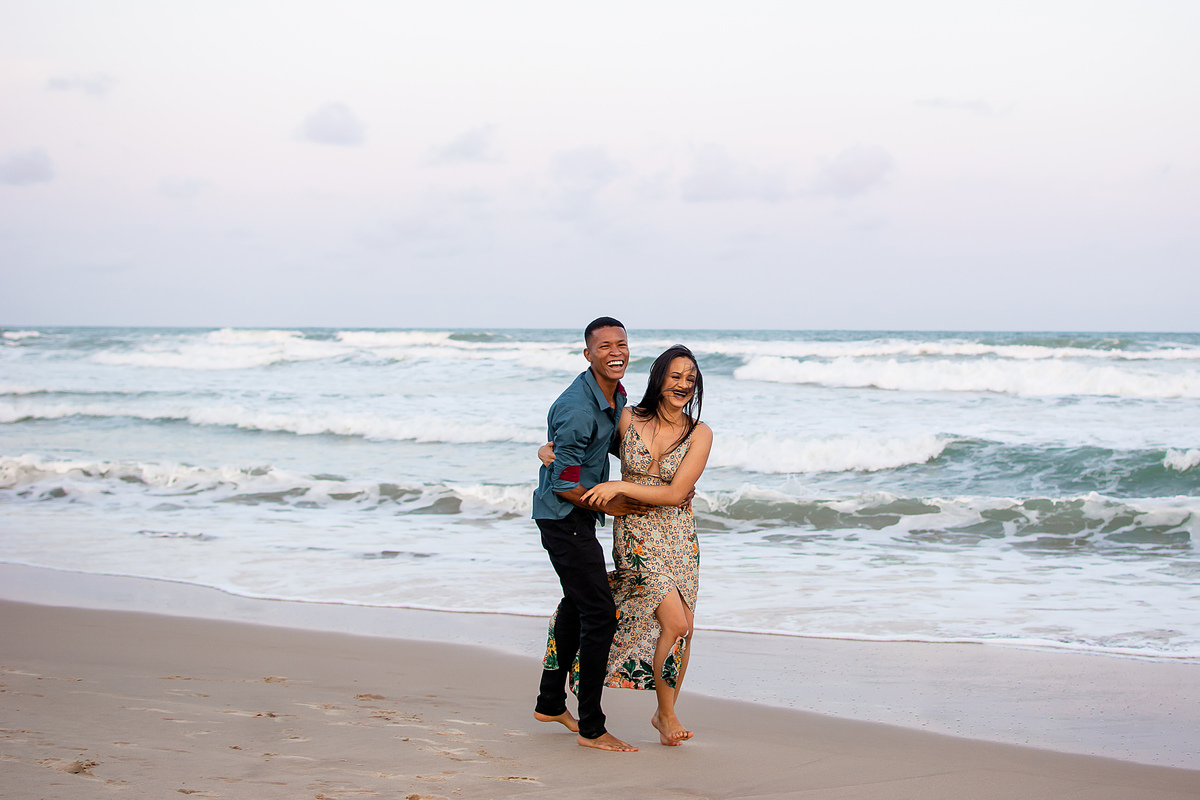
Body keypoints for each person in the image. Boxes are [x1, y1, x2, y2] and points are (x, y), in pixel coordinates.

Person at [541, 345, 712, 747]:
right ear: (658, 379)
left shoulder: (700, 432)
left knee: (684, 629)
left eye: (690, 379)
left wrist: (620, 484)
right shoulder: (627, 417)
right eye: (675, 376)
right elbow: (582, 445)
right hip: (636, 533)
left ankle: (663, 712)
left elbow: (675, 494)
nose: (683, 385)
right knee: (676, 624)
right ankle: (666, 715)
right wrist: (547, 452)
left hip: (679, 535)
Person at [531, 317, 651, 753]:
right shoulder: (579, 408)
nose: (616, 352)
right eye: (605, 347)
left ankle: (549, 702)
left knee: (577, 602)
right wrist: (610, 504)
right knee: (600, 613)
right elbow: (564, 483)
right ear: (588, 354)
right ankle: (592, 727)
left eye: (622, 344)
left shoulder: (614, 395)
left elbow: (606, 447)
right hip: (564, 517)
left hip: (576, 515)